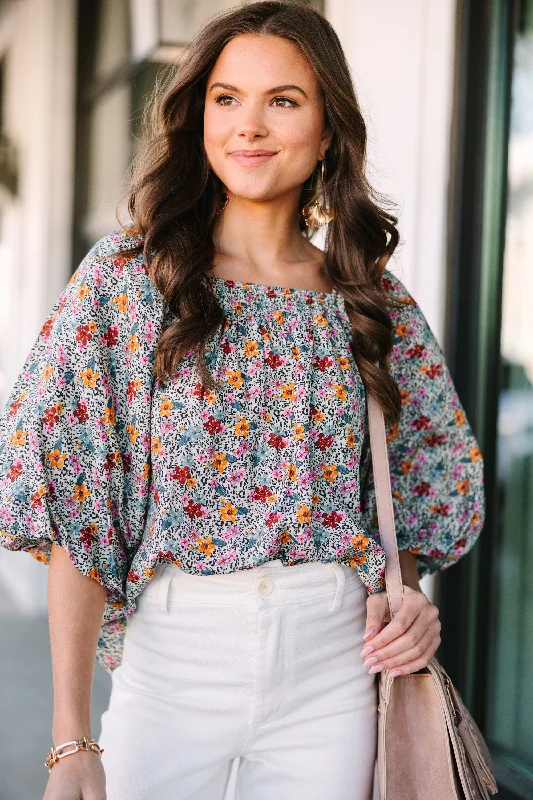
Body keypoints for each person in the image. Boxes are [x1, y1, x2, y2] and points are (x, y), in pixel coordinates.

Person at [0, 2, 485, 799]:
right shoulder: (130, 281)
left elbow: (422, 483)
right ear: (198, 119)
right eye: (227, 99)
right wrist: (70, 737)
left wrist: (409, 601)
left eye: (282, 101)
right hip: (173, 663)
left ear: (328, 129)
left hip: (334, 670)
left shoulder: (371, 302)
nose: (248, 126)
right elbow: (76, 509)